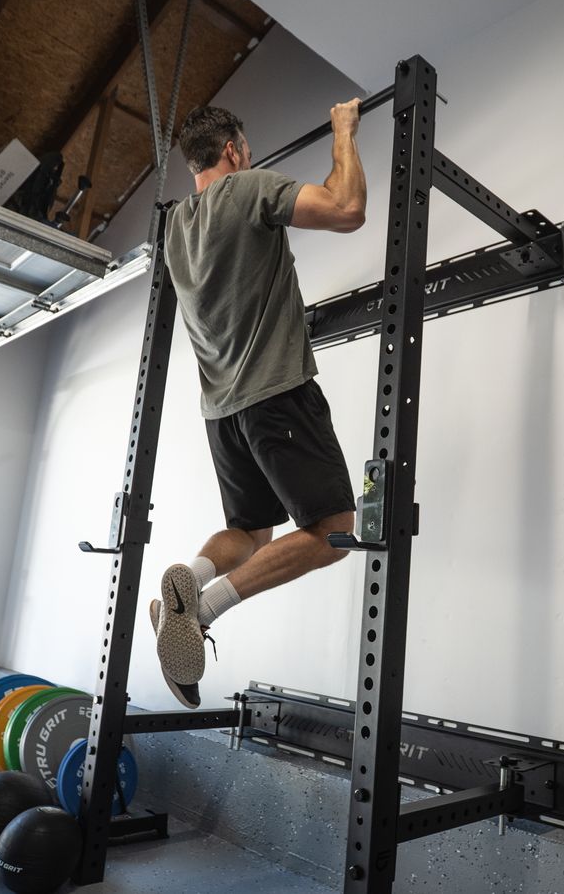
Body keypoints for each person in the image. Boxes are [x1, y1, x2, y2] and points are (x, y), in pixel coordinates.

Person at [150, 99, 368, 708]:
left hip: (222, 412)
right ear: (233, 151)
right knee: (332, 533)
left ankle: (191, 581)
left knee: (249, 529)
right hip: (276, 395)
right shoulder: (247, 188)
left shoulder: (175, 227)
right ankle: (200, 613)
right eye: (245, 148)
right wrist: (342, 133)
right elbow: (347, 208)